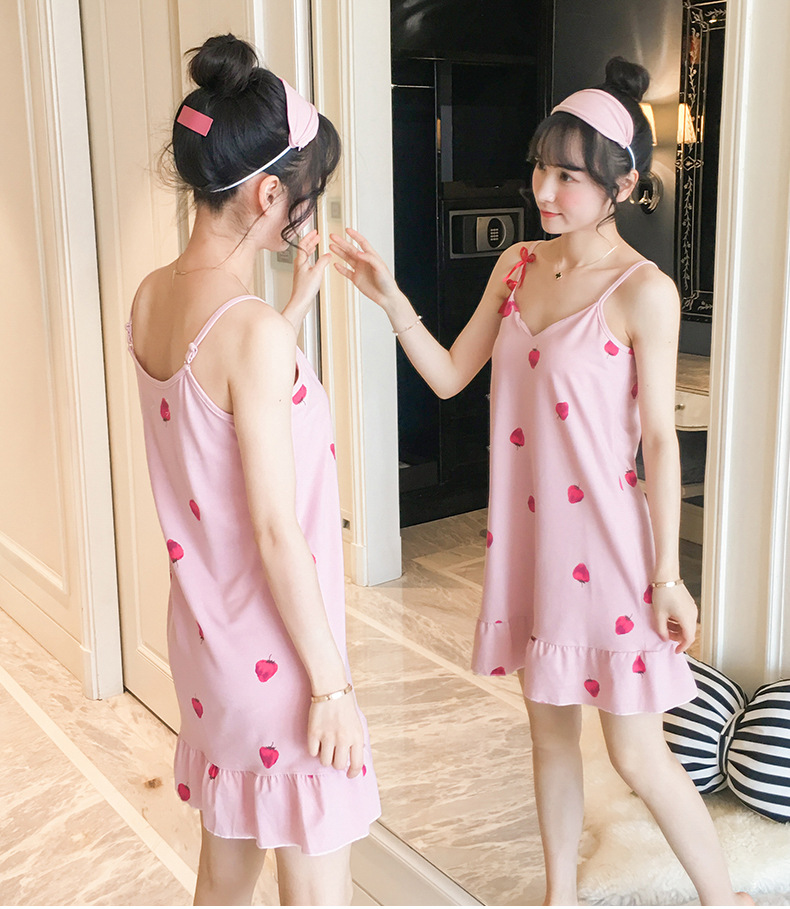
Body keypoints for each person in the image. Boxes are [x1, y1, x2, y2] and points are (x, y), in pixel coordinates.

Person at [330, 57, 751, 907]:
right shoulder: (517, 265)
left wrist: (669, 575)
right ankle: (560, 897)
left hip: (614, 549)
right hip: (532, 546)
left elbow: (659, 441)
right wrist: (389, 297)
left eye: (569, 175)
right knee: (549, 737)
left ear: (622, 185)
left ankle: (725, 897)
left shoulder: (644, 292)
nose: (545, 190)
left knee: (635, 753)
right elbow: (451, 374)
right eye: (541, 168)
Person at [127, 34, 380, 906]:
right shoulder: (251, 335)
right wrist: (333, 685)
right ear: (270, 194)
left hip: (209, 650)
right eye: (306, 196)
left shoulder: (151, 299)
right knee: (317, 888)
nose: (306, 215)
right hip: (282, 658)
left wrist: (293, 309)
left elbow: (219, 421)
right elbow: (275, 531)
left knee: (224, 876)